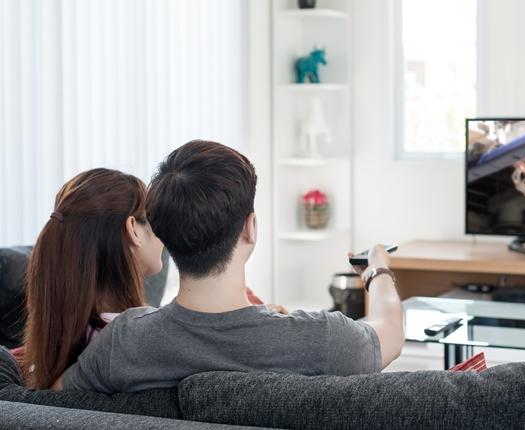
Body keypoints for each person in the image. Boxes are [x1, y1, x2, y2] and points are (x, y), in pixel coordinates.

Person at [56, 140, 404, 393]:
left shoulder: (124, 341)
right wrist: (377, 270)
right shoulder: (323, 338)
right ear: (250, 228)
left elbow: (53, 400)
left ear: (163, 234)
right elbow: (390, 333)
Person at [20, 169, 164, 389]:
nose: (163, 234)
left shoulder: (46, 349)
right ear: (133, 229)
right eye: (155, 221)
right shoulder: (140, 340)